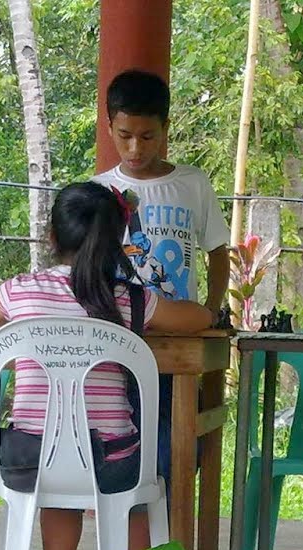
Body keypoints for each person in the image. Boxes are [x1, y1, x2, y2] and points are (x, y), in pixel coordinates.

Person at [0, 182, 212, 550]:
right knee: (134, 497)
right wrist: (210, 311)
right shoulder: (130, 299)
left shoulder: (19, 291)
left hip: (31, 460)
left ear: (53, 237)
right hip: (111, 464)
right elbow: (194, 318)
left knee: (57, 481)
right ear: (117, 241)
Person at [92, 69, 230, 480]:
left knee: (174, 445)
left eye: (148, 136)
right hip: (116, 343)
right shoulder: (98, 191)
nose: (135, 148)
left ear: (166, 128)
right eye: (124, 135)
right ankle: (135, 530)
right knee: (124, 448)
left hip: (177, 340)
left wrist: (210, 309)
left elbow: (217, 254)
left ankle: (167, 531)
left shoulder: (191, 184)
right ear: (109, 126)